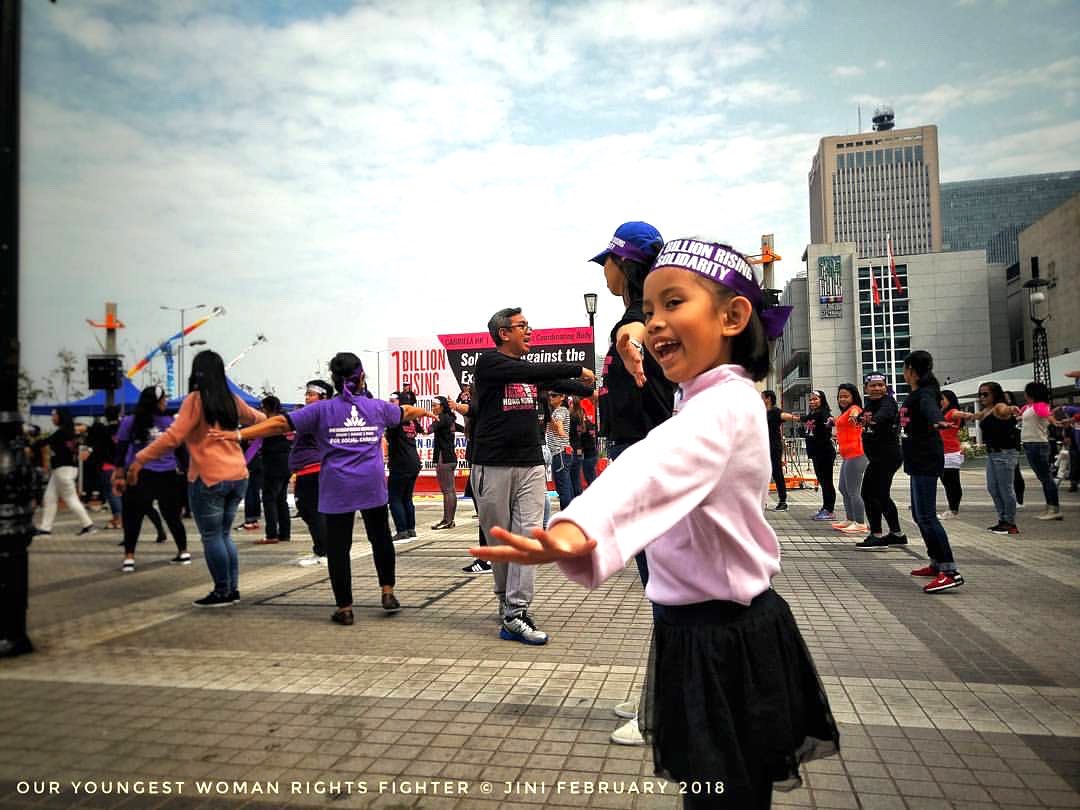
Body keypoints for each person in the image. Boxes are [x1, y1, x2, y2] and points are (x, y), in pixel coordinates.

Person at [471, 237, 836, 808]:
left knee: (722, 797)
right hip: (704, 632)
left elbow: (648, 465)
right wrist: (628, 331)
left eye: (673, 304)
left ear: (733, 316)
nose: (655, 323)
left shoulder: (723, 405)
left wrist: (575, 526)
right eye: (649, 310)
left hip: (723, 639)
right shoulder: (700, 397)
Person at [211, 353, 433, 625]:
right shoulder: (377, 408)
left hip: (337, 487)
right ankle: (388, 592)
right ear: (361, 377)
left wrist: (239, 435)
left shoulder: (322, 410)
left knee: (339, 548)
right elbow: (404, 412)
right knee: (381, 538)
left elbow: (281, 423)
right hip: (371, 485)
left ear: (335, 380)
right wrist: (421, 411)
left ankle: (345, 608)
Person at [591, 222, 674, 744]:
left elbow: (636, 333)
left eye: (607, 261)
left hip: (649, 461)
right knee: (659, 586)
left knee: (667, 587)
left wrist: (630, 336)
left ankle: (663, 710)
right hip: (639, 458)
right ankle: (659, 691)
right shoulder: (639, 313)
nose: (603, 270)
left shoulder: (644, 318)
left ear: (626, 264)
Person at [471, 307, 595, 645]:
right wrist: (577, 367)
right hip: (492, 465)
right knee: (499, 542)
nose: (530, 332)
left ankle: (516, 611)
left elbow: (562, 383)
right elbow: (545, 372)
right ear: (502, 334)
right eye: (522, 326)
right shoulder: (489, 364)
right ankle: (506, 602)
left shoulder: (527, 373)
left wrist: (589, 385)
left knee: (528, 536)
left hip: (530, 464)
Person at [128, 350, 265, 607]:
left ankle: (222, 591)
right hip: (238, 475)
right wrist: (239, 436)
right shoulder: (231, 399)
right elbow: (262, 420)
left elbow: (172, 438)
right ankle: (232, 590)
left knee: (213, 536)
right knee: (224, 535)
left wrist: (140, 459)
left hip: (209, 478)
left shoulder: (195, 400)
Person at [900, 351, 964, 593]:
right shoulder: (918, 392)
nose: (904, 373)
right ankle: (936, 562)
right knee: (919, 514)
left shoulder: (925, 393)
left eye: (905, 369)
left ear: (911, 369)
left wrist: (937, 420)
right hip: (917, 457)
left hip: (926, 457)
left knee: (927, 515)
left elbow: (930, 409)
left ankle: (950, 571)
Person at [113, 385, 189, 572]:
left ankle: (129, 557)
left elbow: (121, 450)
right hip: (168, 475)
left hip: (139, 474)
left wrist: (119, 475)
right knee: (172, 516)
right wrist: (187, 472)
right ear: (157, 401)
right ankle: (184, 552)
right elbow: (181, 451)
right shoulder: (171, 422)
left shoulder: (130, 421)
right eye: (164, 399)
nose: (166, 402)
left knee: (133, 516)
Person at [853, 372, 907, 550]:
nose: (877, 388)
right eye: (873, 386)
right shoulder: (870, 404)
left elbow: (882, 417)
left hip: (887, 456)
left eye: (880, 385)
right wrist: (862, 419)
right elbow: (862, 419)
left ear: (886, 387)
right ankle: (892, 534)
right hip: (877, 458)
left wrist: (870, 420)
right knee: (872, 494)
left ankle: (886, 534)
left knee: (875, 494)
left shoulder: (888, 402)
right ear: (866, 388)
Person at [34, 408, 96, 536]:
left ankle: (89, 525)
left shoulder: (62, 433)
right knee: (49, 497)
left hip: (63, 470)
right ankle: (46, 529)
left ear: (61, 416)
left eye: (54, 415)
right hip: (64, 470)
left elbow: (44, 442)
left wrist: (31, 442)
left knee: (71, 499)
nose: (52, 418)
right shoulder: (71, 432)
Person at [292, 380, 333, 566]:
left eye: (311, 394)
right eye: (307, 394)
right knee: (311, 512)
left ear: (323, 397)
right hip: (310, 470)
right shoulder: (322, 413)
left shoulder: (317, 414)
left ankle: (323, 552)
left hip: (313, 470)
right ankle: (323, 550)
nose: (307, 397)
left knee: (312, 512)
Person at [972, 382, 1020, 535]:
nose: (982, 397)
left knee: (1005, 489)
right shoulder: (987, 410)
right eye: (980, 394)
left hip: (1004, 453)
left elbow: (1006, 410)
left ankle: (1010, 523)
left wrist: (1011, 408)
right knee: (993, 487)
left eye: (985, 394)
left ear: (995, 394)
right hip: (993, 454)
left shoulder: (999, 407)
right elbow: (972, 416)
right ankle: (1002, 520)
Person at [782, 390, 837, 520]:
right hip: (817, 453)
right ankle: (825, 508)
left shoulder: (823, 414)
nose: (812, 402)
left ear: (822, 400)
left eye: (815, 399)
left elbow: (829, 423)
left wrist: (831, 423)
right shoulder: (813, 414)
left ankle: (829, 510)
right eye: (811, 400)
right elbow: (802, 419)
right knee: (823, 482)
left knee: (827, 482)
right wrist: (786, 416)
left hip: (825, 452)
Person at [1016, 382, 1062, 521]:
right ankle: (1050, 507)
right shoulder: (1030, 407)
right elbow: (1022, 418)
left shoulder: (1040, 405)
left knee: (1046, 478)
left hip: (1037, 444)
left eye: (1026, 391)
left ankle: (1054, 508)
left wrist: (1054, 421)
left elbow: (1047, 415)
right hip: (1031, 444)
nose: (1024, 394)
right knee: (1044, 478)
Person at [254, 396, 292, 544]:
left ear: (267, 409)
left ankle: (271, 534)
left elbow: (257, 439)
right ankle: (284, 533)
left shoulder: (270, 423)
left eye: (262, 408)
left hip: (273, 465)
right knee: (281, 500)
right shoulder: (284, 420)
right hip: (285, 464)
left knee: (269, 499)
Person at [385, 392, 422, 543]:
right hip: (413, 462)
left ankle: (402, 530)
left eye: (392, 401)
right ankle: (411, 529)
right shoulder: (412, 421)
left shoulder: (396, 421)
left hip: (401, 463)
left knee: (394, 498)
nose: (389, 404)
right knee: (406, 498)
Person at [833, 383, 869, 534]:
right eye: (840, 396)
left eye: (846, 396)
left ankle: (860, 522)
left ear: (853, 397)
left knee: (853, 491)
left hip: (857, 454)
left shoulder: (855, 409)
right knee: (843, 488)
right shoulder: (845, 412)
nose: (842, 399)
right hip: (848, 455)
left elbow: (856, 413)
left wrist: (855, 417)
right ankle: (850, 518)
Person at [86, 406, 123, 530]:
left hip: (107, 465)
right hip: (122, 465)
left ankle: (118, 518)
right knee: (119, 492)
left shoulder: (103, 431)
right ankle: (119, 517)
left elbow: (96, 447)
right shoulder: (123, 428)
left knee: (112, 493)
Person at [428, 396, 460, 529]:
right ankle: (449, 520)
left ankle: (447, 520)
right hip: (451, 457)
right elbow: (463, 429)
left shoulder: (441, 418)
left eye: (435, 405)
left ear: (442, 406)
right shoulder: (451, 418)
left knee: (447, 491)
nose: (433, 408)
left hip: (444, 458)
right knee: (451, 491)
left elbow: (428, 430)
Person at [937, 389, 966, 519]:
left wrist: (969, 415)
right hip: (943, 451)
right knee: (947, 482)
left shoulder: (952, 412)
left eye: (943, 399)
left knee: (951, 483)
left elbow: (957, 413)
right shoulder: (942, 412)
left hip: (950, 452)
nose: (941, 401)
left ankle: (953, 509)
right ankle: (952, 508)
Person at [544, 391, 574, 509]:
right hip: (560, 452)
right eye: (550, 395)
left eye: (554, 395)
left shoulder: (561, 410)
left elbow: (559, 424)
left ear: (562, 397)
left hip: (559, 452)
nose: (551, 397)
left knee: (563, 486)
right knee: (566, 485)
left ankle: (566, 513)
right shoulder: (557, 411)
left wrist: (560, 430)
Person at [761, 390, 787, 511]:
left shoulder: (775, 411)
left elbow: (784, 416)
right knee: (763, 473)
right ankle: (762, 501)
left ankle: (783, 501)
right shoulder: (762, 412)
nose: (761, 399)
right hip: (763, 446)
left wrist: (799, 418)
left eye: (763, 397)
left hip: (774, 446)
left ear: (769, 399)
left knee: (777, 473)